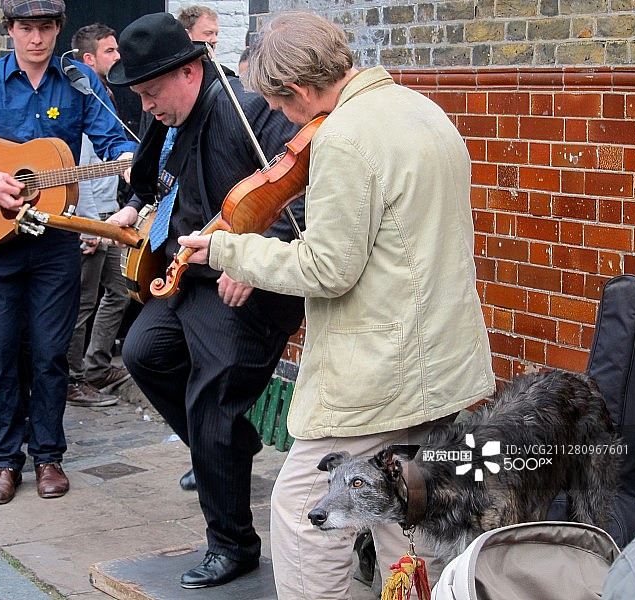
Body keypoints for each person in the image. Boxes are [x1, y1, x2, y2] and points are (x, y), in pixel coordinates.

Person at [180, 12, 496, 599]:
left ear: (298, 89)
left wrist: (226, 250)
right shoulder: (420, 108)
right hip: (441, 360)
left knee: (304, 509)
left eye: (278, 103)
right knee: (406, 511)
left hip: (378, 371)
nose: (279, 117)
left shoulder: (345, 138)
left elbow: (326, 268)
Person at [107, 12, 304, 589]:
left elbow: (303, 194)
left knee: (211, 399)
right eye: (139, 95)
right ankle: (227, 446)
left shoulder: (252, 111)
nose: (146, 105)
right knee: (143, 352)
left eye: (151, 92)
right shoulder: (168, 120)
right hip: (188, 274)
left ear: (190, 71)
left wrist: (256, 253)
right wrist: (131, 208)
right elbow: (150, 185)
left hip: (243, 287)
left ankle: (233, 544)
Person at [0, 0, 136, 505]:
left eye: (45, 28)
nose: (36, 38)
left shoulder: (79, 81)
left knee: (49, 354)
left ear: (58, 29)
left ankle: (48, 457)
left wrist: (127, 162)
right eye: (25, 28)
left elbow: (110, 141)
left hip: (53, 240)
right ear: (10, 30)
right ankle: (1, 462)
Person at [65, 23, 131, 407]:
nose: (118, 57)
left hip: (111, 212)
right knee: (83, 301)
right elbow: (80, 172)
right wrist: (88, 227)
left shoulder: (103, 97)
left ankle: (97, 364)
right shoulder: (83, 103)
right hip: (94, 219)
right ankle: (73, 379)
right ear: (88, 61)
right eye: (109, 52)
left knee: (119, 292)